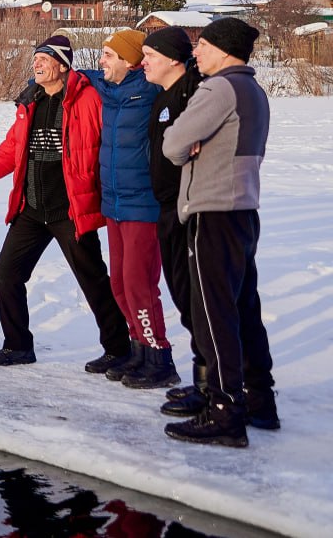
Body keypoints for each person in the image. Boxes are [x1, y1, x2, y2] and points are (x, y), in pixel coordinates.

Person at [0, 34, 129, 367]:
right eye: (36, 58)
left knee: (92, 279)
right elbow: (8, 154)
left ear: (63, 66)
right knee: (7, 272)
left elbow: (113, 143)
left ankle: (119, 349)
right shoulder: (30, 102)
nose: (37, 64)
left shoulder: (88, 100)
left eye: (45, 58)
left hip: (70, 209)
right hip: (31, 208)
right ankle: (17, 345)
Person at [162, 17, 277, 447]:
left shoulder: (217, 89)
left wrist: (185, 141)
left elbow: (172, 144)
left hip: (212, 210)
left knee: (214, 314)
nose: (196, 53)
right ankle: (259, 400)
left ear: (225, 50)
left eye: (203, 46)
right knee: (245, 309)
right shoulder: (254, 90)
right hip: (244, 209)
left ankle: (225, 411)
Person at [80, 28, 178, 389]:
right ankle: (138, 349)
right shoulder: (109, 89)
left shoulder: (151, 90)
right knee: (120, 284)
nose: (101, 60)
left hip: (143, 204)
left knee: (140, 285)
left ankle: (159, 355)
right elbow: (85, 75)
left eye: (108, 54)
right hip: (114, 202)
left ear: (129, 60)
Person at [141, 27, 208, 416]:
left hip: (189, 208)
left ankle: (210, 384)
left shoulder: (192, 93)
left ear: (172, 58)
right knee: (182, 295)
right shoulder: (163, 96)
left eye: (150, 54)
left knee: (196, 297)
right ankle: (202, 378)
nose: (144, 61)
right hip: (165, 206)